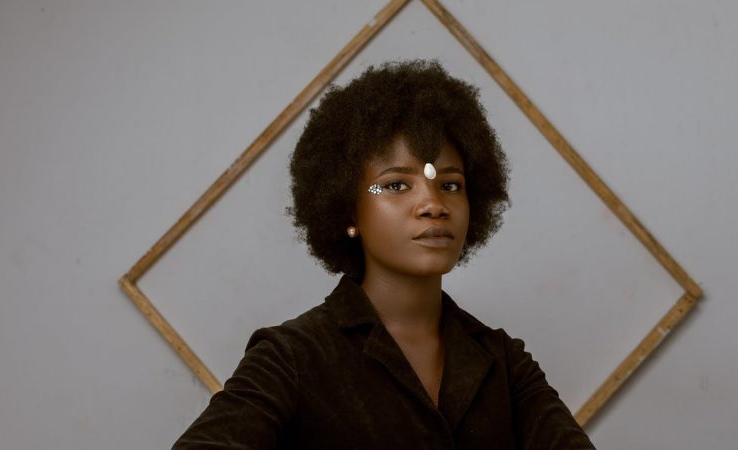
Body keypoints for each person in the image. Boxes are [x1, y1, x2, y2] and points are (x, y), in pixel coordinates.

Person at [172, 60, 596, 449]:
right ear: (348, 208)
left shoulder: (504, 362)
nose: (433, 204)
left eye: (450, 185)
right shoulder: (292, 357)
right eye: (395, 185)